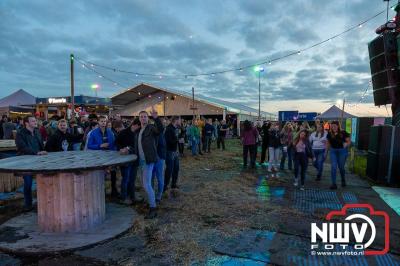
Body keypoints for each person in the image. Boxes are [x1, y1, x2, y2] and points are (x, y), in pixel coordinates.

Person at [15, 115, 47, 210]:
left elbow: (40, 144)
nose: (35, 122)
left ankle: (43, 202)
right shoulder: (20, 133)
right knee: (28, 183)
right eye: (33, 121)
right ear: (26, 123)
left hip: (39, 160)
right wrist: (36, 152)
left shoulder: (37, 132)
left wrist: (43, 151)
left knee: (42, 181)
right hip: (26, 161)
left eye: (35, 121)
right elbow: (22, 147)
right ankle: (28, 204)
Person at [137, 110, 163, 219]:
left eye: (145, 117)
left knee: (146, 184)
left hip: (149, 159)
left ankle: (153, 208)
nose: (143, 118)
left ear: (148, 118)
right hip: (141, 160)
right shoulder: (140, 130)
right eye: (141, 117)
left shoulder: (151, 128)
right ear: (139, 119)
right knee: (145, 184)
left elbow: (160, 130)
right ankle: (151, 201)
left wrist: (156, 118)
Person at [87, 116, 118, 196]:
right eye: (101, 121)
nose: (103, 123)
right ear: (98, 122)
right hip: (99, 156)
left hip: (110, 156)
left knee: (113, 173)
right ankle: (100, 192)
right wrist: (99, 146)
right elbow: (89, 145)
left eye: (104, 121)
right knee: (100, 175)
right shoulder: (93, 132)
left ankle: (113, 190)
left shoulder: (110, 132)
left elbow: (114, 144)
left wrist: (114, 154)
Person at [117, 118, 141, 205]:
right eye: (139, 126)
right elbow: (117, 142)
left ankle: (132, 196)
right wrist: (121, 149)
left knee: (132, 179)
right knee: (125, 179)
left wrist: (130, 148)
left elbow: (138, 147)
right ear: (135, 125)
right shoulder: (123, 132)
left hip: (134, 159)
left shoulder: (138, 133)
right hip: (125, 160)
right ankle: (123, 197)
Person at [326, 121, 350, 190]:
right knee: (333, 167)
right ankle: (334, 184)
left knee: (341, 167)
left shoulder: (343, 132)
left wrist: (346, 144)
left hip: (342, 151)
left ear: (338, 126)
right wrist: (326, 152)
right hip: (333, 151)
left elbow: (348, 141)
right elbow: (327, 143)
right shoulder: (329, 133)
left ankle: (343, 180)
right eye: (332, 126)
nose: (333, 127)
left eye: (335, 126)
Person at [164, 116, 181, 192]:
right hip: (170, 151)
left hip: (175, 151)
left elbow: (180, 134)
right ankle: (165, 185)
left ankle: (173, 184)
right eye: (179, 120)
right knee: (169, 169)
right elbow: (168, 141)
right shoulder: (169, 129)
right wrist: (178, 140)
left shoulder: (175, 128)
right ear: (176, 120)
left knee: (176, 168)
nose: (180, 121)